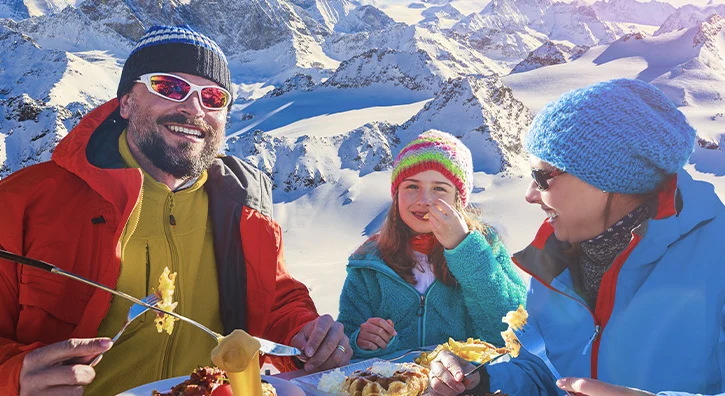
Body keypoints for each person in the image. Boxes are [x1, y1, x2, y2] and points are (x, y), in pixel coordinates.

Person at [0, 25, 351, 396]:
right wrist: (13, 376)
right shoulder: (25, 202)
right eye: (169, 87)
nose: (194, 108)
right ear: (126, 102)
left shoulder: (244, 207)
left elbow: (275, 301)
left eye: (213, 97)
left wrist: (307, 335)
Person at [427, 79, 725, 396]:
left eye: (542, 177)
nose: (529, 195)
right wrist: (483, 382)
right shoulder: (553, 261)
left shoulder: (716, 256)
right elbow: (544, 371)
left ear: (608, 177)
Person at [337, 130, 527, 360]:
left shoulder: (486, 248)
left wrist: (464, 250)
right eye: (411, 187)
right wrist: (362, 341)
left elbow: (514, 333)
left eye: (439, 188)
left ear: (458, 199)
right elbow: (344, 341)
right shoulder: (369, 263)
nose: (423, 200)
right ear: (396, 194)